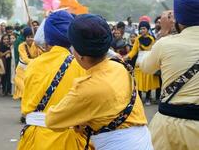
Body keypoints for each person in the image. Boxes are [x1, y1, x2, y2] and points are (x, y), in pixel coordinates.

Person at [45, 14, 153, 150]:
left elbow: (52, 120)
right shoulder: (120, 66)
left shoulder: (87, 87)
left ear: (78, 53)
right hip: (144, 142)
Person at [140, 0, 199, 149]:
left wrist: (164, 33)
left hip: (168, 128)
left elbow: (146, 67)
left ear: (178, 17)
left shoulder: (165, 44)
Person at [17, 10, 88, 150]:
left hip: (34, 138)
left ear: (47, 36)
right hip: (66, 138)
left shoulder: (33, 65)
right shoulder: (81, 65)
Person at [126, 21, 159, 105]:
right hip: (139, 62)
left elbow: (155, 51)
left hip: (149, 61)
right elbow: (133, 51)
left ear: (148, 29)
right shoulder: (137, 39)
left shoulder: (152, 39)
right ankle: (139, 98)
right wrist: (126, 57)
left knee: (148, 79)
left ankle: (148, 98)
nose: (142, 30)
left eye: (144, 28)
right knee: (139, 80)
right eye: (141, 29)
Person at [13, 27, 41, 100]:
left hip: (32, 69)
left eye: (32, 37)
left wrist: (40, 47)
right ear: (25, 37)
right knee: (22, 88)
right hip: (22, 69)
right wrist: (36, 61)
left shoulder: (37, 45)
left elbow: (43, 54)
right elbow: (25, 59)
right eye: (28, 37)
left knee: (31, 88)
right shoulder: (21, 46)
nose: (30, 39)